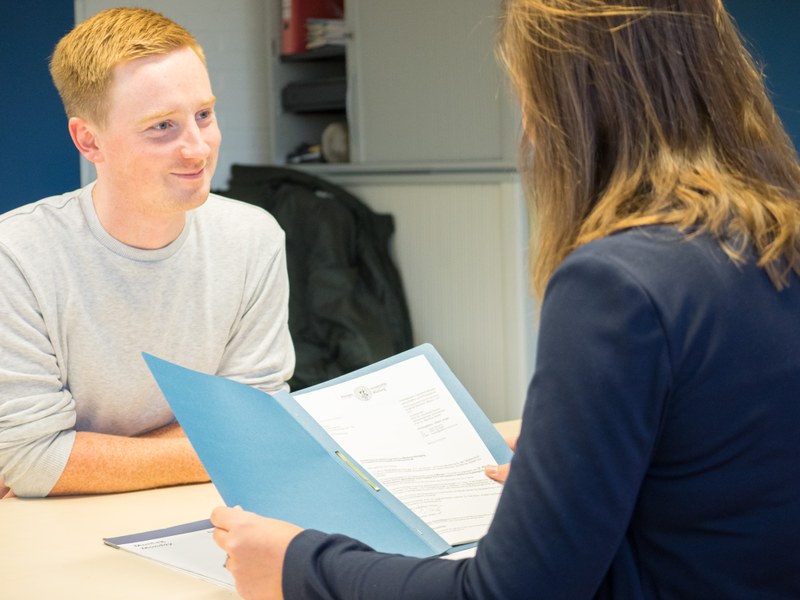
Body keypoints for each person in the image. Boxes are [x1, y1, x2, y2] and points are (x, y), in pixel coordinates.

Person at [210, 0, 800, 598]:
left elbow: (506, 593)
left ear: (565, 104)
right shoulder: (772, 236)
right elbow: (735, 468)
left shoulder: (617, 282)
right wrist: (582, 455)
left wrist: (297, 565)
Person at [0, 8, 294, 499]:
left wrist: (82, 459)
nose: (198, 149)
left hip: (202, 509)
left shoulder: (253, 237)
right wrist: (223, 445)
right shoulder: (18, 255)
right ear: (89, 140)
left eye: (204, 115)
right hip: (60, 528)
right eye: (162, 127)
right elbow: (33, 461)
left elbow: (259, 424)